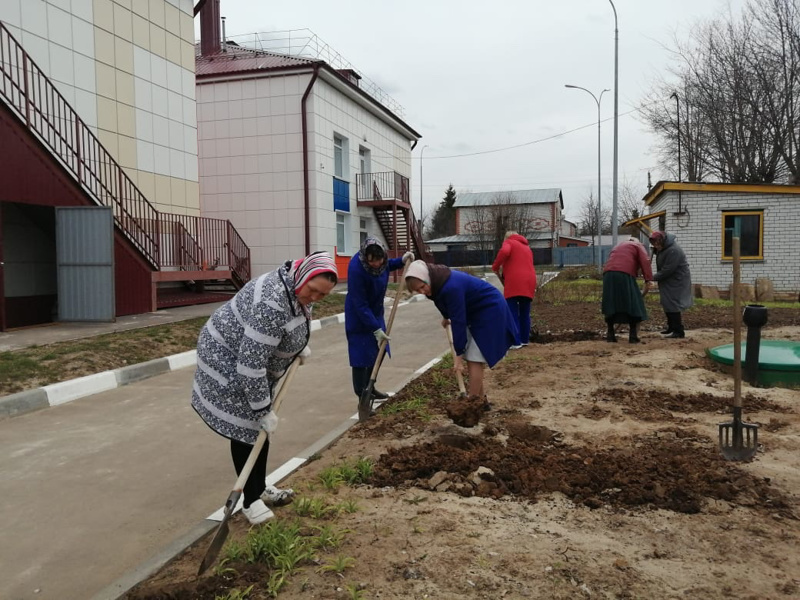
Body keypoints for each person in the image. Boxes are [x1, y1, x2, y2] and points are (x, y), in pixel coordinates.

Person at [191, 251, 338, 524]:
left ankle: (258, 487)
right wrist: (262, 409)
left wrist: (295, 347)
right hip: (226, 360)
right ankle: (250, 500)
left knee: (259, 429)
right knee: (246, 426)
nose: (315, 299)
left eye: (323, 296)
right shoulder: (272, 303)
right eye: (313, 291)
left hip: (248, 359)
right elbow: (250, 367)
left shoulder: (297, 287)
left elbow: (293, 320)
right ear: (303, 277)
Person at [405, 260, 518, 402]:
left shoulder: (450, 286)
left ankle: (471, 403)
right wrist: (446, 316)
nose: (422, 292)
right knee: (472, 357)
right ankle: (481, 401)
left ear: (427, 278)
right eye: (418, 291)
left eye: (422, 287)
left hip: (490, 310)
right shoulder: (436, 282)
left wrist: (458, 356)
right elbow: (440, 300)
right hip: (476, 313)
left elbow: (459, 322)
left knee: (474, 358)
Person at [345, 237, 413, 406]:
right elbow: (359, 303)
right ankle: (362, 394)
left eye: (379, 260)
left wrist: (402, 260)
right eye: (372, 262)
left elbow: (388, 265)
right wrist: (375, 328)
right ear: (365, 257)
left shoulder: (383, 262)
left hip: (375, 312)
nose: (376, 264)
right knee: (361, 355)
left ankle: (371, 386)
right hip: (358, 315)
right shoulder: (356, 268)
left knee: (380, 350)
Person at [601, 236, 653, 343]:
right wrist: (648, 279)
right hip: (624, 274)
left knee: (611, 302)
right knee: (633, 303)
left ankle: (610, 335)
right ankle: (633, 336)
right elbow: (645, 261)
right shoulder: (638, 245)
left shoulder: (617, 247)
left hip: (608, 274)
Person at [491, 231, 538, 348]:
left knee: (511, 312)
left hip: (514, 281)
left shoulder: (509, 242)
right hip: (529, 281)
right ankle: (524, 340)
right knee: (524, 312)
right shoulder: (526, 247)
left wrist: (495, 266)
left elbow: (504, 252)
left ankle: (515, 342)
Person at [649, 230, 693, 338]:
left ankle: (678, 331)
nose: (656, 246)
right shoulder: (663, 247)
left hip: (677, 280)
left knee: (673, 304)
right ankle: (671, 327)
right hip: (668, 280)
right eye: (654, 244)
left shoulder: (673, 250)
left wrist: (652, 277)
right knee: (666, 303)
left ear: (662, 241)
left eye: (657, 243)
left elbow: (668, 269)